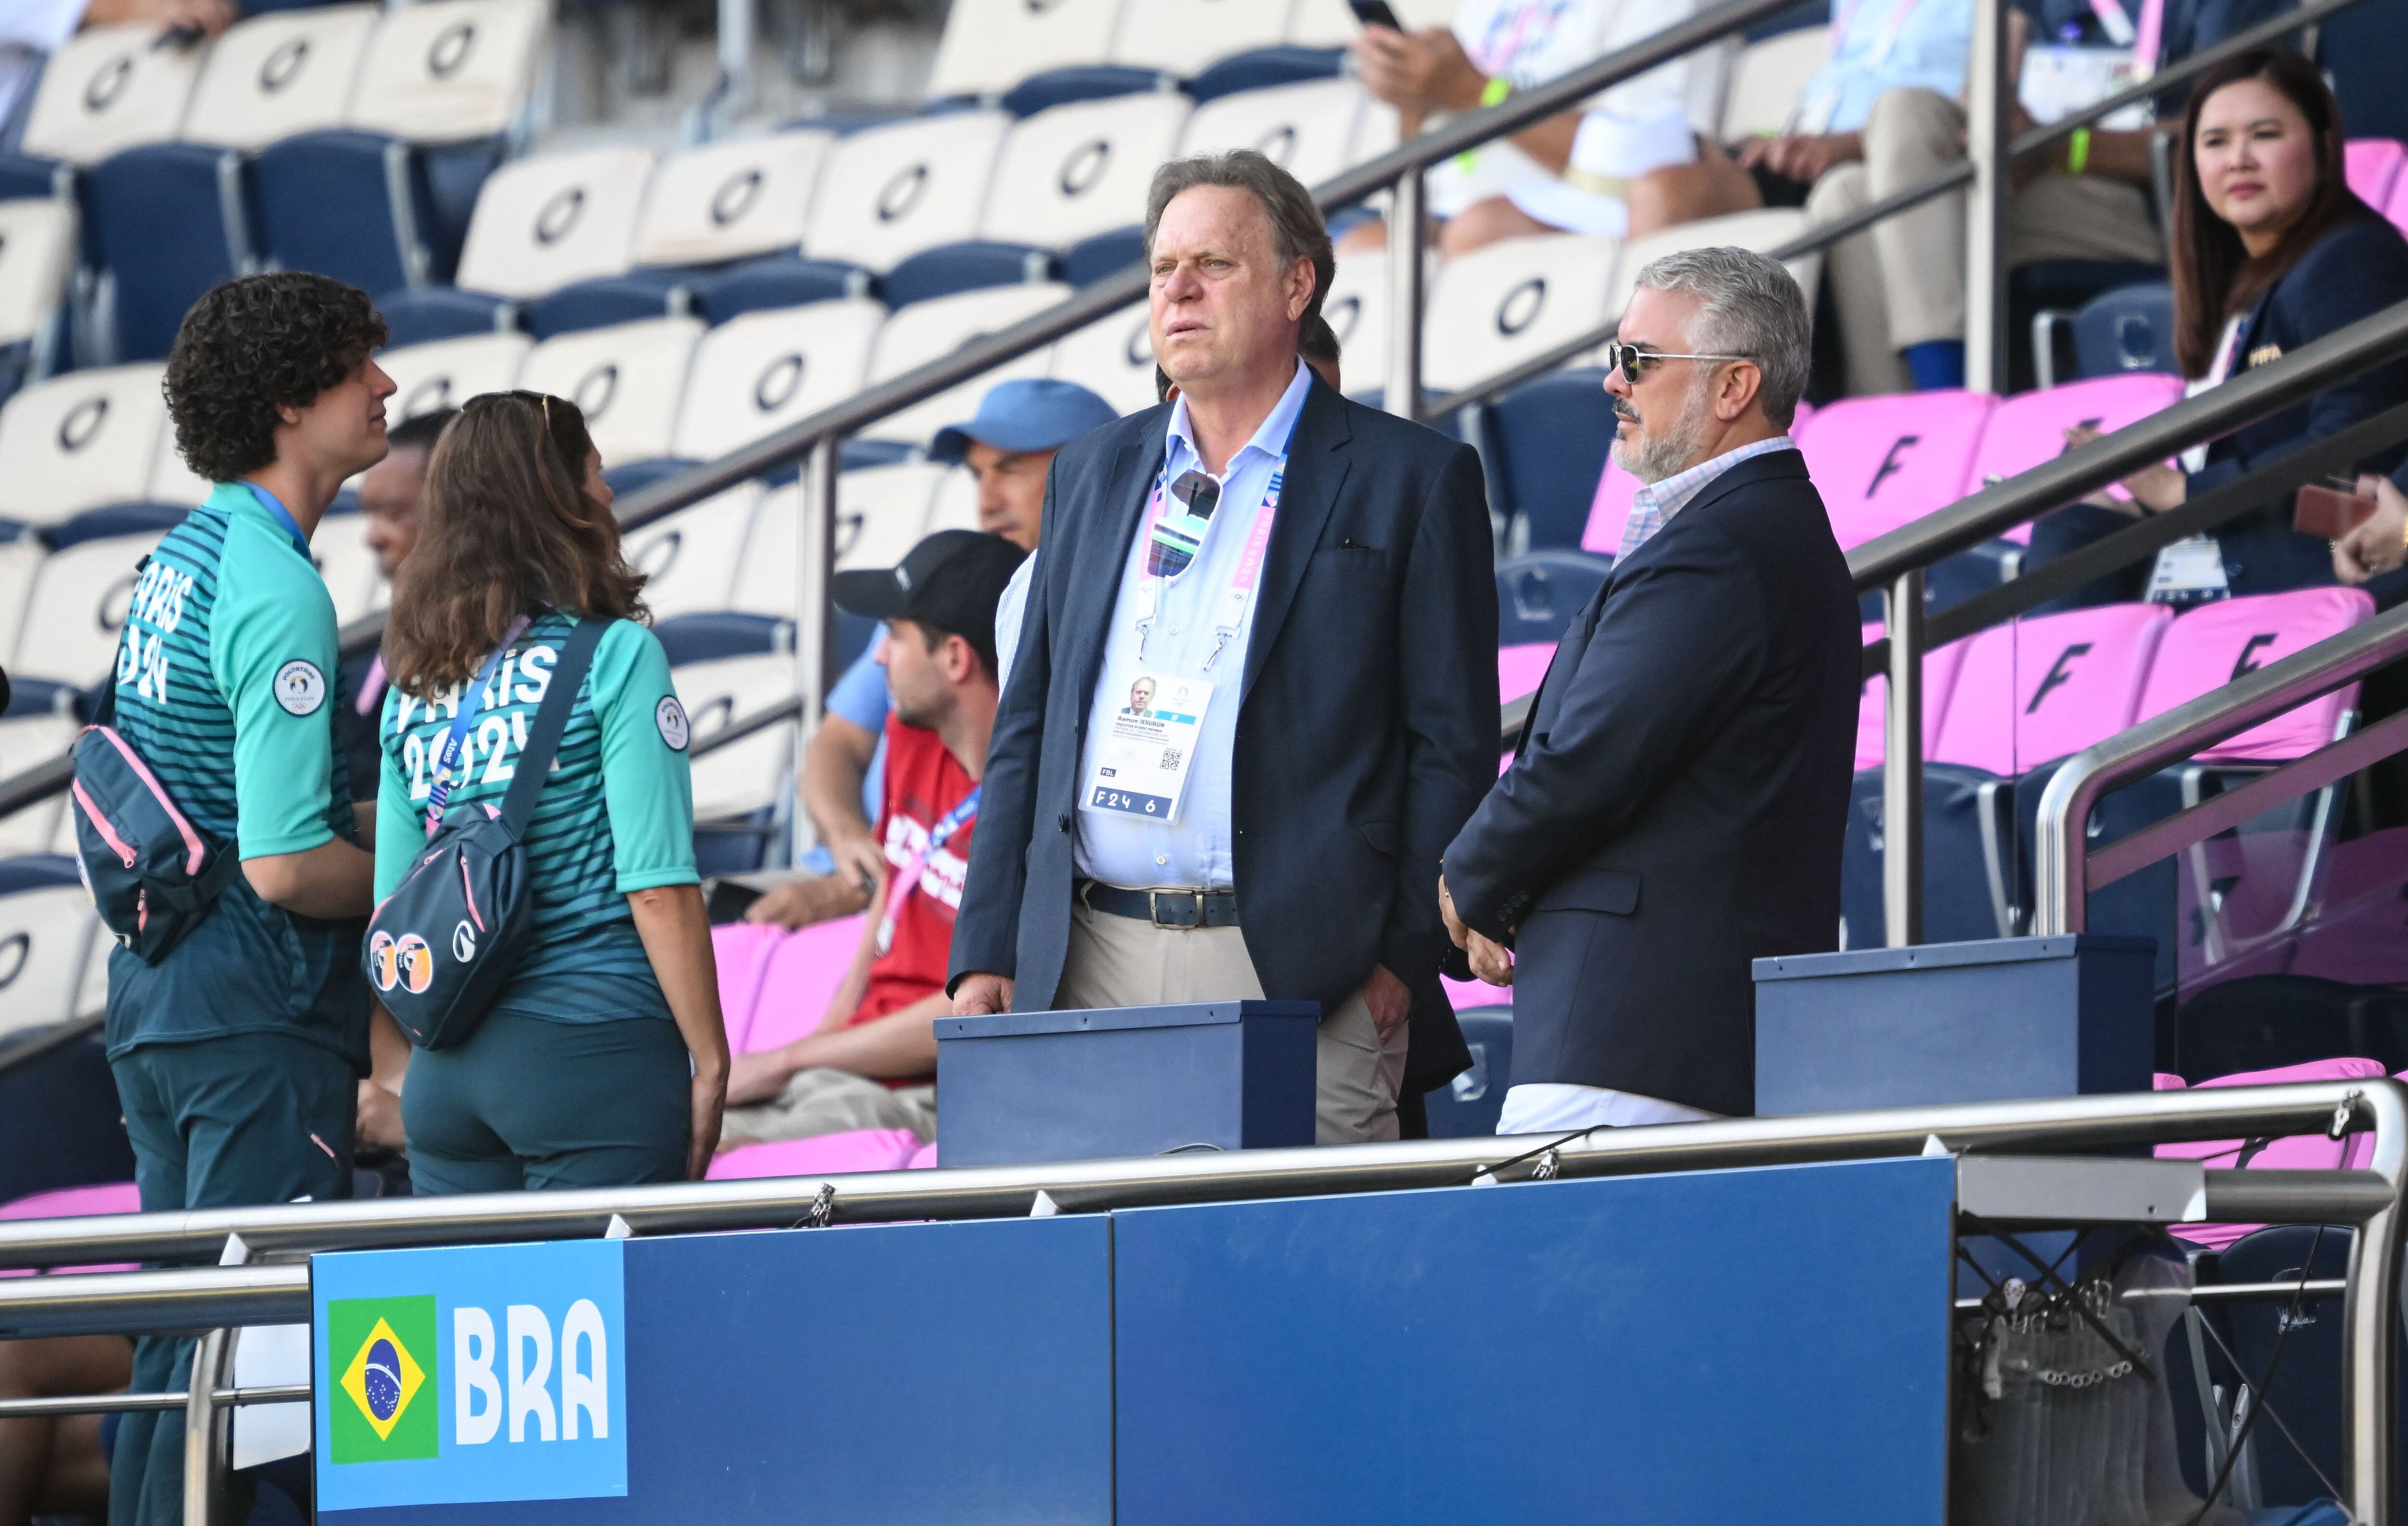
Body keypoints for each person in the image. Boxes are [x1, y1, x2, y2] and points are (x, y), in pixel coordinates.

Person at [949, 150, 1497, 1145]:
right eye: (1163, 270)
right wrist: (986, 945)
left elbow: (1451, 744)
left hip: (1303, 967)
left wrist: (1397, 959)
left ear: (1298, 284)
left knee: (1300, 1280)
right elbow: (1030, 722)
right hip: (1089, 956)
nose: (1179, 292)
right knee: (1107, 1278)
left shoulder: (1410, 478)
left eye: (1213, 264)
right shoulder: (1093, 469)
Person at [1439, 246, 1859, 1131]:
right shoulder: (1745, 530)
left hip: (1635, 1041)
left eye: (1639, 358)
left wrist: (1469, 877)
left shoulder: (1727, 544)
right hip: (1652, 1041)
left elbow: (1588, 757)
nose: (1611, 381)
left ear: (1734, 386)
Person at [95, 272, 391, 1526]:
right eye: (356, 370)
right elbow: (282, 866)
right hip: (251, 1016)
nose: (387, 388)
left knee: (178, 1352)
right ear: (288, 404)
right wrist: (423, 876)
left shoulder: (181, 555)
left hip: (158, 998)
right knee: (239, 1366)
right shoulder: (278, 587)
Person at [375, 392, 727, 1191]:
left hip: (446, 1074)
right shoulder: (619, 655)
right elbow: (659, 887)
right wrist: (710, 1060)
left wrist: (406, 1070)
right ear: (562, 497)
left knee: (469, 1317)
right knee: (619, 1318)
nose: (608, 493)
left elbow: (396, 900)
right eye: (595, 473)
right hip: (593, 1051)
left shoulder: (414, 687)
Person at [2025, 48, 2408, 607]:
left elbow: (2353, 461)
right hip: (2250, 550)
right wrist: (2141, 491)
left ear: (2325, 148)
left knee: (2076, 542)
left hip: (2320, 568)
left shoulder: (2348, 259)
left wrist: (2182, 492)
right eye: (2214, 142)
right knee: (2076, 524)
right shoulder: (2245, 282)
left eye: (2264, 135)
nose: (2238, 159)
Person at [742, 378, 1115, 932]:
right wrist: (849, 843)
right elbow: (835, 744)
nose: (986, 500)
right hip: (860, 880)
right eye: (976, 475)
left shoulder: (1113, 601)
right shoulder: (937, 590)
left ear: (1087, 469)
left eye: (1009, 469)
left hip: (935, 903)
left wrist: (880, 887)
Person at [1805, 0, 2294, 394]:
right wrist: (1996, 132)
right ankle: (1901, 428)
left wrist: (2059, 146)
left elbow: (2233, 142)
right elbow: (1982, 102)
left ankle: (1947, 400)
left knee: (1895, 166)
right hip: (2034, 182)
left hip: (2149, 203)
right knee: (1846, 191)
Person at [720, 529, 1025, 1147]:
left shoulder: (1034, 801)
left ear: (956, 659)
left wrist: (790, 1060)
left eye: (894, 636)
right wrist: (814, 1048)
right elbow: (891, 896)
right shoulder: (912, 734)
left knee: (702, 1152)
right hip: (847, 1069)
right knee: (661, 1132)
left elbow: (981, 1003)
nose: (879, 657)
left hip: (932, 1089)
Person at [1346, 0, 1749, 257]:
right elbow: (1430, 172)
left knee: (1480, 230)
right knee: (1358, 248)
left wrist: (1474, 91)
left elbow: (1648, 164)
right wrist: (1414, 101)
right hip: (1457, 211)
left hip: (1582, 214)